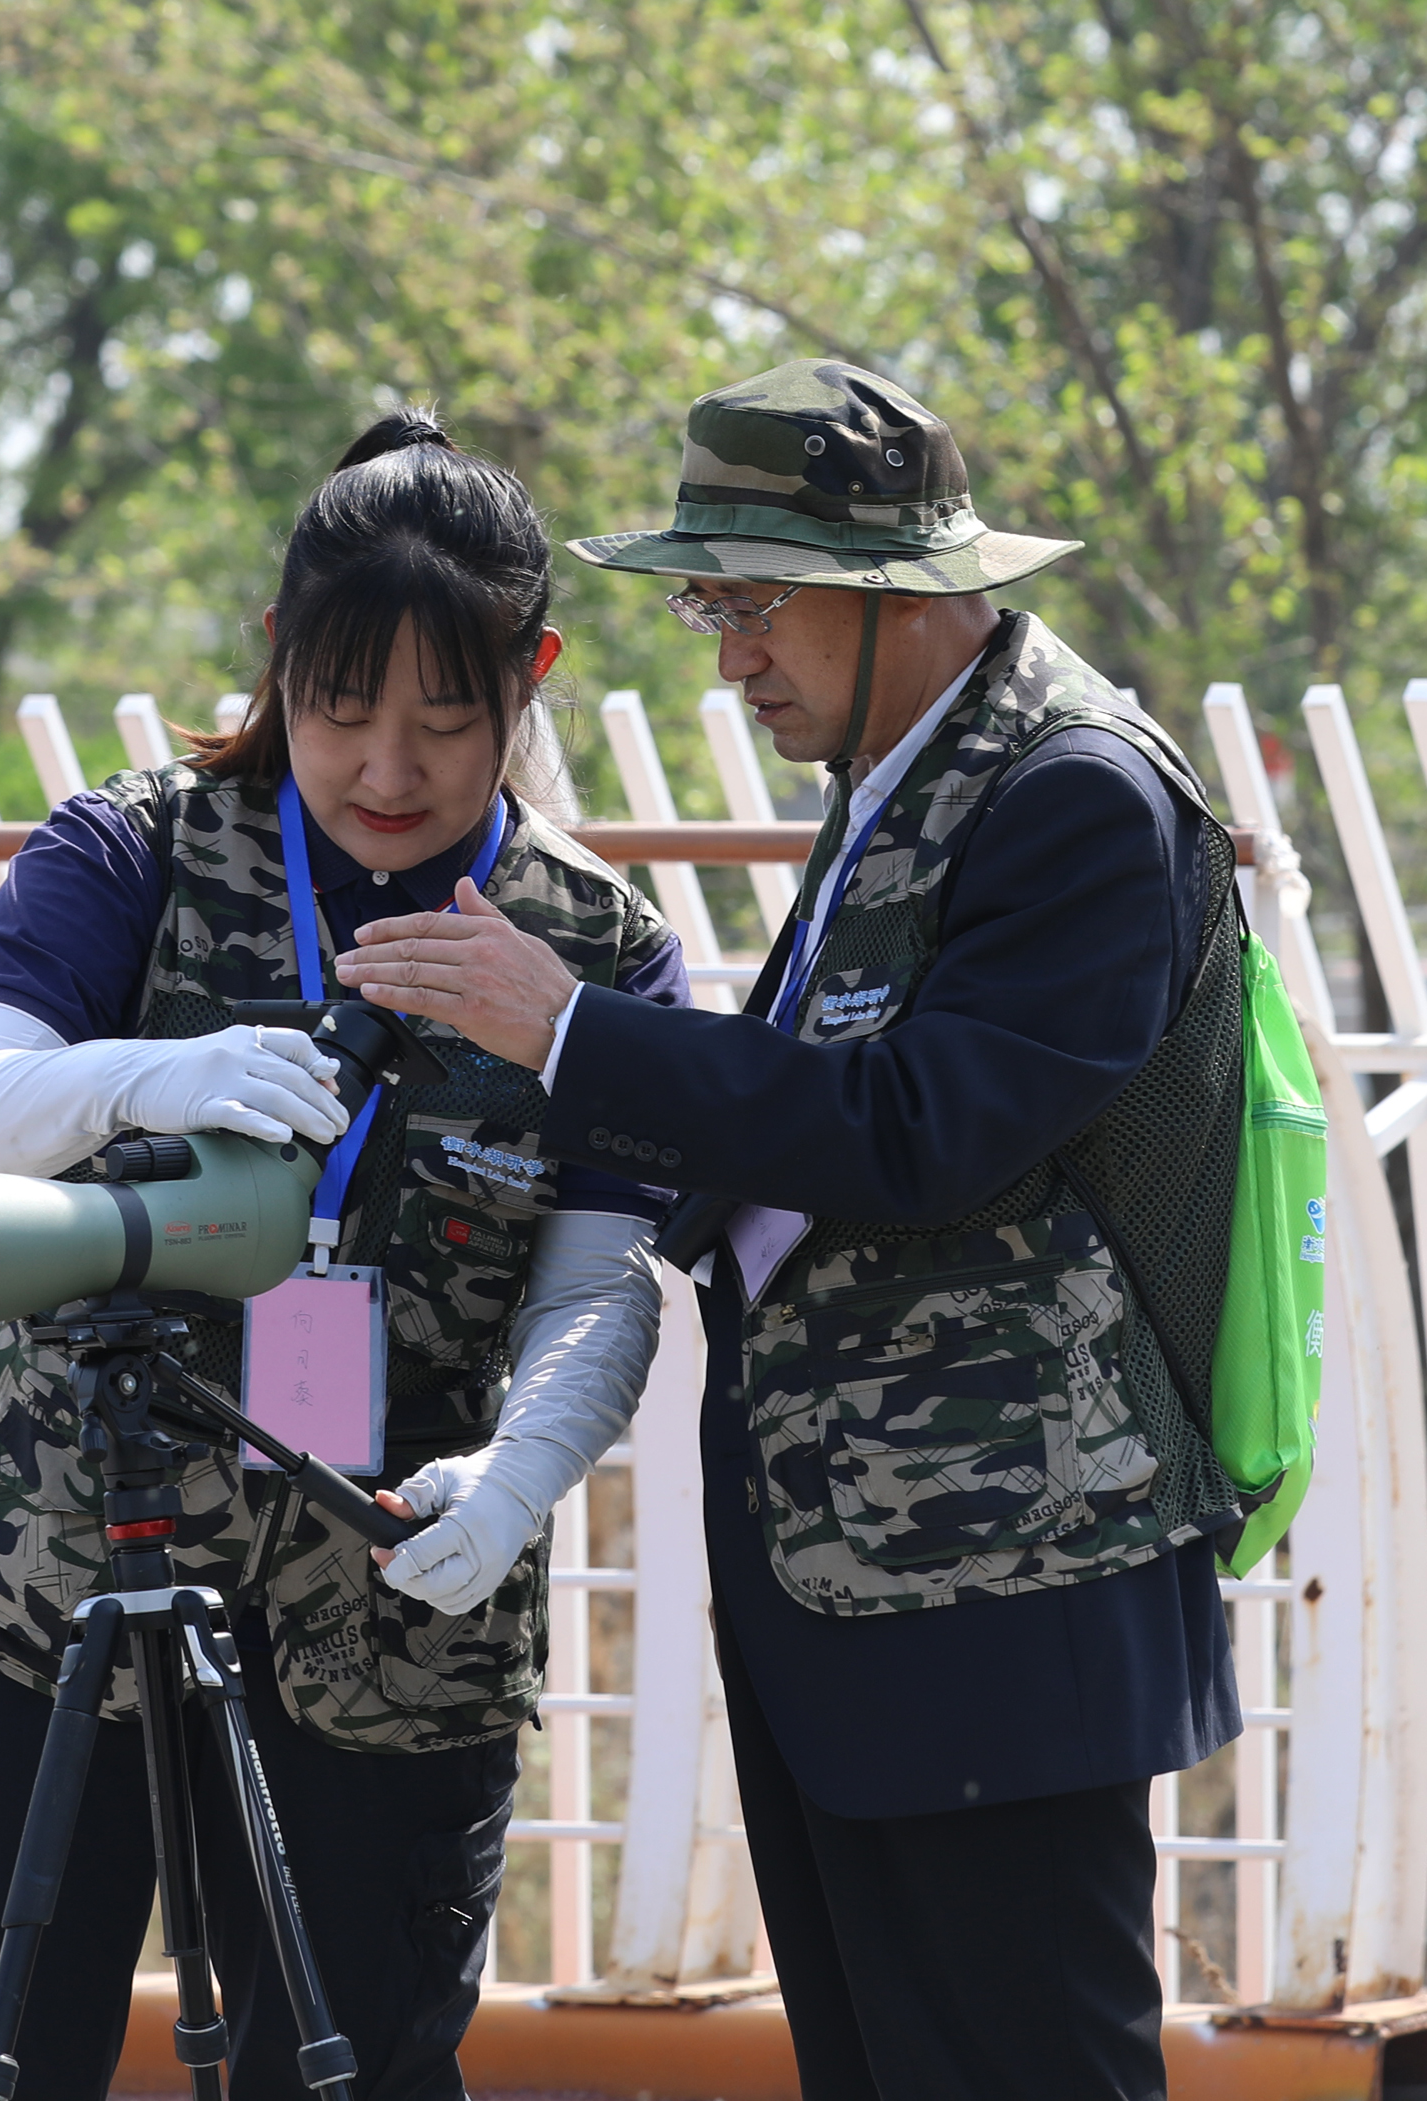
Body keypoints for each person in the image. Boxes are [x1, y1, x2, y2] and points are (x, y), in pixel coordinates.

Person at [334, 361, 1242, 2101]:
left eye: (755, 603)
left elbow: (916, 1134)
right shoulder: (915, 766)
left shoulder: (1070, 793)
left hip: (1001, 1604)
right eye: (709, 604)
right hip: (878, 1595)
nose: (728, 655)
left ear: (901, 590)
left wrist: (573, 1033)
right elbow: (811, 1110)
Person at [0, 408, 691, 2101]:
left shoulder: (599, 950)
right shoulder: (133, 849)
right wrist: (144, 1078)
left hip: (390, 1618)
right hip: (39, 1582)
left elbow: (599, 1279)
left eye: (445, 721)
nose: (387, 770)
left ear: (532, 676)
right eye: (339, 709)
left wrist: (522, 1471)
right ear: (276, 659)